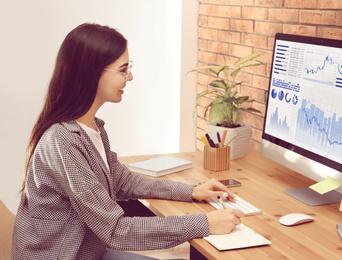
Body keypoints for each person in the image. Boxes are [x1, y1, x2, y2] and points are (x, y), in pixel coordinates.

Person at [11, 23, 244, 259]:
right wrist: (205, 223)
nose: (130, 77)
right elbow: (116, 231)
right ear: (92, 72)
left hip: (89, 252)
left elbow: (123, 181)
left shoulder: (92, 128)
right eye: (123, 69)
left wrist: (192, 191)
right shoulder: (61, 142)